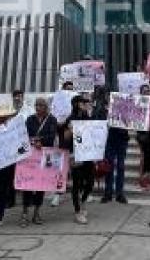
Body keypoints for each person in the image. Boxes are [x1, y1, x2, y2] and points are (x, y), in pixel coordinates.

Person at [21, 97, 58, 226]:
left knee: (40, 185)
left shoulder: (52, 119)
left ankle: (36, 213)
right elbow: (24, 134)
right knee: (27, 184)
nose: (38, 108)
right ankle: (24, 214)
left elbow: (51, 136)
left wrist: (41, 142)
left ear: (46, 107)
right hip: (31, 156)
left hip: (44, 155)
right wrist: (34, 141)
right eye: (36, 105)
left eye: (41, 105)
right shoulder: (30, 119)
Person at [62, 94, 97, 224]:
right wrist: (70, 131)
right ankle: (78, 212)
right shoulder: (70, 119)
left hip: (88, 154)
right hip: (76, 155)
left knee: (90, 182)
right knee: (77, 184)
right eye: (83, 102)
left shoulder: (88, 117)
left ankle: (83, 202)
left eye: (86, 102)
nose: (85, 104)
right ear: (76, 104)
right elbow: (65, 138)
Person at [93, 86, 128, 204]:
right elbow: (97, 124)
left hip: (121, 139)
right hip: (108, 140)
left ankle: (119, 193)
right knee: (109, 166)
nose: (110, 97)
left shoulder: (122, 108)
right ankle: (108, 193)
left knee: (121, 167)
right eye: (109, 95)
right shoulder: (101, 110)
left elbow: (130, 122)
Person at [50, 80, 76, 207]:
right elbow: (55, 127)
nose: (69, 91)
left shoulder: (77, 111)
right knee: (61, 170)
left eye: (71, 89)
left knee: (77, 171)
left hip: (76, 146)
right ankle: (57, 194)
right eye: (67, 89)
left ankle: (79, 193)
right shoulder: (57, 112)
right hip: (63, 146)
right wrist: (60, 123)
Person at [136, 83, 150, 191]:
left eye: (148, 91)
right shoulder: (138, 103)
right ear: (141, 93)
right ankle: (142, 179)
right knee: (144, 156)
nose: (147, 93)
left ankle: (149, 176)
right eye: (145, 91)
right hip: (142, 133)